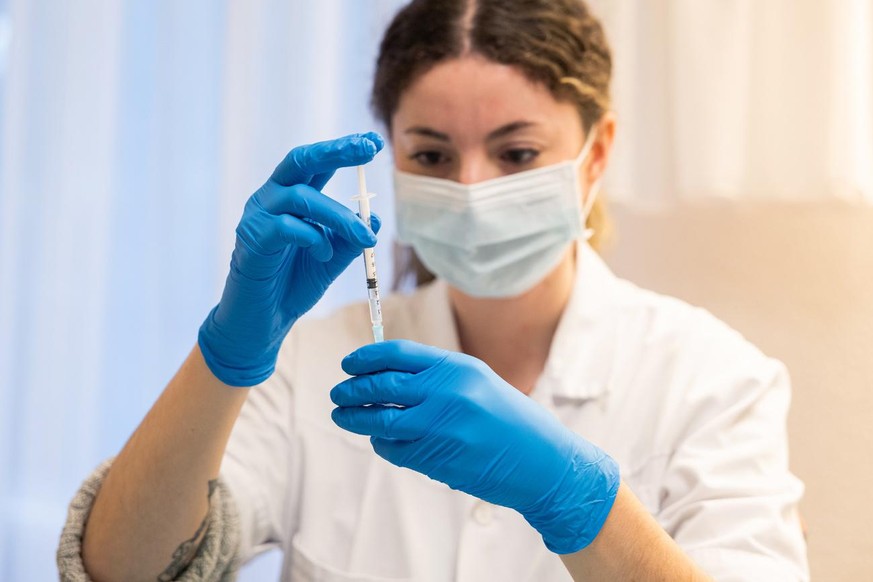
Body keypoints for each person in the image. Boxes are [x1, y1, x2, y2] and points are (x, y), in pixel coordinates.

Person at [57, 0, 809, 580]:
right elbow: (121, 568)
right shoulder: (320, 362)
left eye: (516, 152)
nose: (473, 188)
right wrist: (227, 353)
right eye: (432, 154)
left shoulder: (712, 379)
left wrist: (580, 501)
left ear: (595, 152)